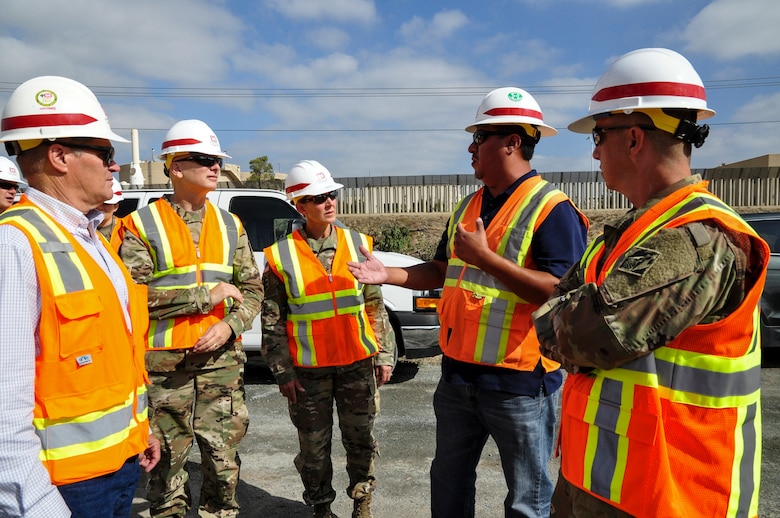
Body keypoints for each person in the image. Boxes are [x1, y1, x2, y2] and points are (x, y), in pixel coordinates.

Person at [532, 48, 768, 518]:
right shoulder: (631, 233)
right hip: (606, 485)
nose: (595, 150)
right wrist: (565, 309)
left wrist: (562, 313)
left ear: (635, 139)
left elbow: (578, 335)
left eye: (600, 135)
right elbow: (563, 306)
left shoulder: (695, 240)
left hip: (670, 494)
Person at [347, 87, 589, 518]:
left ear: (513, 142)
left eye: (481, 137)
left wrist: (487, 259)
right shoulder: (469, 205)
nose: (470, 147)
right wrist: (389, 275)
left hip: (520, 384)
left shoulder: (553, 210)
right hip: (458, 377)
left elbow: (560, 293)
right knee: (449, 482)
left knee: (527, 498)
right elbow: (440, 270)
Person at [0, 75, 160, 517]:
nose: (115, 166)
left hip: (119, 465)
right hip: (63, 491)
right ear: (59, 156)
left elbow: (112, 356)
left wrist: (139, 430)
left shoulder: (90, 240)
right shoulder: (14, 245)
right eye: (107, 153)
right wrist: (34, 504)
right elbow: (3, 402)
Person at [118, 119, 263, 517]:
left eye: (216, 159)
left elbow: (252, 291)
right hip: (167, 369)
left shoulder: (230, 224)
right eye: (203, 159)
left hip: (222, 365)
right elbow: (129, 298)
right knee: (167, 469)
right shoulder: (141, 225)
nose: (215, 166)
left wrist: (230, 325)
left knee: (223, 465)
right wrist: (202, 297)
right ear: (175, 166)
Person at [261, 160, 395, 518]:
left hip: (356, 364)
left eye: (332, 195)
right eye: (318, 198)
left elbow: (373, 305)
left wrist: (384, 355)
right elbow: (273, 322)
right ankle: (321, 508)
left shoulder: (357, 244)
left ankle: (362, 502)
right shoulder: (280, 256)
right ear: (299, 205)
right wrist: (283, 373)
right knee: (314, 449)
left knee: (361, 441)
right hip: (308, 373)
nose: (329, 203)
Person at [97, 177, 124, 248]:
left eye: (106, 204)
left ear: (116, 207)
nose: (100, 207)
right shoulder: (82, 230)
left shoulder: (125, 229)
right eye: (97, 203)